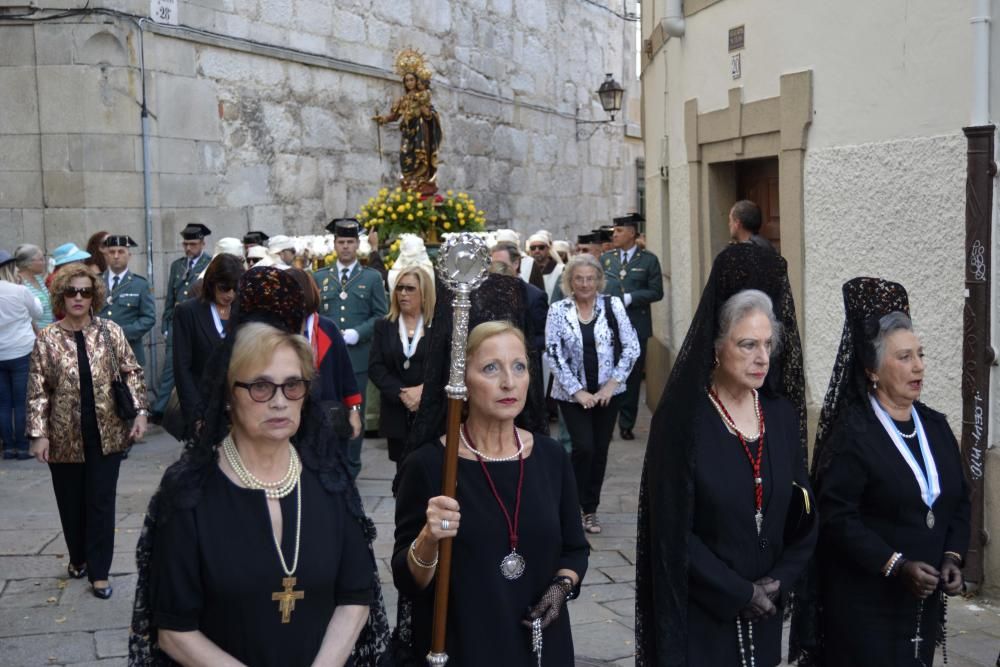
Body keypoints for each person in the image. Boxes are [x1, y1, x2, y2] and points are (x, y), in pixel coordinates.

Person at [129, 266, 389, 666]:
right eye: (261, 386)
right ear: (229, 394)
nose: (280, 401)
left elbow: (356, 595)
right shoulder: (189, 492)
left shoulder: (330, 481)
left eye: (293, 384)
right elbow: (174, 630)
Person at [635, 243, 815, 666]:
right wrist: (738, 591)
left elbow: (804, 510)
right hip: (704, 615)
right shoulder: (684, 420)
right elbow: (671, 527)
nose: (762, 358)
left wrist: (780, 580)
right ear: (716, 346)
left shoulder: (781, 415)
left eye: (768, 344)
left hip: (767, 607)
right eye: (747, 344)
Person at [795, 278, 970, 666]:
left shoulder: (936, 427)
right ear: (872, 369)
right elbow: (838, 518)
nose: (919, 366)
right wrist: (896, 564)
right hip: (865, 606)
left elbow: (958, 499)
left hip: (922, 602)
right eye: (904, 357)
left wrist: (952, 559)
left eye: (920, 355)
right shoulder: (852, 435)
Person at [392, 321, 589, 664]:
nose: (508, 382)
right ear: (461, 383)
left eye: (519, 367)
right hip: (467, 646)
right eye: (490, 368)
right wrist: (428, 538)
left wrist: (561, 587)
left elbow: (574, 549)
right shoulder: (428, 466)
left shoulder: (551, 457)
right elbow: (409, 581)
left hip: (540, 647)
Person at [27, 262, 149, 598]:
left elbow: (132, 373)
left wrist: (139, 413)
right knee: (70, 502)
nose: (78, 298)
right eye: (71, 292)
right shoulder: (48, 339)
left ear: (94, 295)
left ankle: (100, 571)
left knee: (100, 501)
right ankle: (78, 557)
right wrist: (39, 433)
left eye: (85, 291)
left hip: (107, 432)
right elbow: (38, 390)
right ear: (61, 297)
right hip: (64, 434)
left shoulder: (110, 331)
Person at [546, 254, 639, 534]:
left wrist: (612, 384)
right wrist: (577, 391)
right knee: (583, 447)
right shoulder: (558, 310)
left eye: (590, 279)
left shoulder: (612, 306)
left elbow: (632, 347)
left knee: (599, 451)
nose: (585, 284)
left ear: (599, 281)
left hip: (607, 394)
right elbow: (553, 352)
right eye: (579, 279)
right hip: (572, 395)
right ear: (570, 281)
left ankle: (590, 510)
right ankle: (570, 505)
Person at [313, 219, 388, 479]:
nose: (345, 247)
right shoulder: (320, 277)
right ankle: (329, 462)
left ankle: (351, 467)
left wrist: (360, 332)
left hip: (357, 357)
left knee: (354, 411)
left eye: (350, 242)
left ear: (358, 244)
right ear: (334, 244)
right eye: (341, 242)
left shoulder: (371, 277)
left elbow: (382, 314)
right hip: (325, 357)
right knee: (326, 410)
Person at [600, 213, 664, 440]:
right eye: (614, 231)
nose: (614, 235)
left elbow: (657, 292)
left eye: (618, 231)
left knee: (632, 376)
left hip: (636, 326)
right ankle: (606, 420)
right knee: (607, 374)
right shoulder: (607, 259)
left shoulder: (648, 260)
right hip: (609, 327)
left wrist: (630, 298)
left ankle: (627, 423)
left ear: (632, 233)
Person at [171, 253, 243, 440]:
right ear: (211, 282)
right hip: (205, 409)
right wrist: (196, 415)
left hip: (241, 409)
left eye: (235, 289)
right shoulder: (188, 312)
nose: (230, 295)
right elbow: (182, 368)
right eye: (224, 288)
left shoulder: (243, 311)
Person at [369, 265, 434, 469]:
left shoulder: (439, 325)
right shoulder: (384, 325)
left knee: (430, 472)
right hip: (396, 411)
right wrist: (401, 393)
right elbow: (376, 367)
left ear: (424, 293)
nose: (403, 294)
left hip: (430, 413)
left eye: (410, 288)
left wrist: (423, 390)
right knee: (403, 475)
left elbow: (448, 366)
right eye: (399, 288)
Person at [286, 268, 363, 441]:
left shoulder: (327, 328)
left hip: (327, 417)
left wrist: (354, 411)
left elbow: (346, 374)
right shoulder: (277, 330)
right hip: (289, 416)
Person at [152, 223, 213, 423]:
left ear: (202, 243)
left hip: (199, 321)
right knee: (171, 365)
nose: (188, 248)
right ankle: (160, 409)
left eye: (193, 244)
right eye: (185, 244)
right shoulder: (177, 265)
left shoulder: (210, 263)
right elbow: (170, 296)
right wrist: (166, 323)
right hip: (178, 322)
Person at [373, 49, 443, 194]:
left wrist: (427, 113)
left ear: (417, 81)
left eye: (412, 80)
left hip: (421, 132)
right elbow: (395, 115)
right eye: (407, 80)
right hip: (407, 133)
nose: (409, 83)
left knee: (421, 157)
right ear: (404, 83)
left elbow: (430, 115)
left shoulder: (422, 96)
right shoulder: (404, 100)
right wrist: (384, 119)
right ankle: (409, 181)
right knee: (405, 156)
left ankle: (422, 182)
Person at [0, 251, 43, 459]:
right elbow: (38, 312)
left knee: (3, 402)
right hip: (21, 350)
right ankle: (22, 445)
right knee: (21, 400)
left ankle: (8, 447)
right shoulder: (19, 290)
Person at [99, 235, 156, 366]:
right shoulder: (95, 282)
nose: (116, 256)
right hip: (100, 351)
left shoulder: (140, 284)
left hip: (130, 351)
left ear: (129, 255)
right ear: (106, 255)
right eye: (112, 252)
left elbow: (149, 318)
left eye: (121, 251)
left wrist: (121, 334)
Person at [15, 244, 54, 329]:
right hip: (34, 336)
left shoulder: (38, 278)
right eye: (41, 259)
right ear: (28, 264)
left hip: (48, 332)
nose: (44, 262)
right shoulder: (19, 283)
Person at [526, 231, 564, 302]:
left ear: (548, 249)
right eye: (533, 248)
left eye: (541, 247)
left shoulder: (560, 270)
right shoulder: (525, 270)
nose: (537, 251)